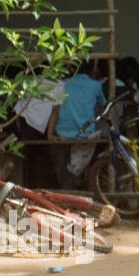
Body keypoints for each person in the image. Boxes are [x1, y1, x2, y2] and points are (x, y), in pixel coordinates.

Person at [46, 59, 107, 188]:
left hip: (62, 135)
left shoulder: (61, 85)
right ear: (92, 70)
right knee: (86, 164)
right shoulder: (95, 85)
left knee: (62, 168)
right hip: (85, 135)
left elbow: (54, 112)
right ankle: (85, 188)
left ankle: (66, 193)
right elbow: (103, 105)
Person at [12, 74, 64, 188]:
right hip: (29, 121)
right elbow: (55, 112)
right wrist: (50, 135)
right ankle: (32, 188)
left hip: (22, 118)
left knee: (29, 156)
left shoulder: (30, 79)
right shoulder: (59, 84)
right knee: (35, 156)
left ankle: (28, 187)